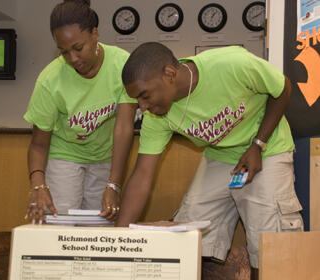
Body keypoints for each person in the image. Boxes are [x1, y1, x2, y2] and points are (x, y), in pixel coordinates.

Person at [116, 42, 304, 279]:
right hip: (220, 155)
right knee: (188, 234)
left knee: (268, 241)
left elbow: (282, 88)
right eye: (137, 101)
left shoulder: (231, 64)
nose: (142, 107)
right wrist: (118, 242)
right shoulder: (157, 116)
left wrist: (258, 144)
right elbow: (142, 175)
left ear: (169, 74)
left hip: (267, 148)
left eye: (144, 96)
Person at [24, 0, 137, 224]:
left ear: (95, 33)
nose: (73, 59)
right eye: (64, 52)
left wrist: (114, 184)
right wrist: (38, 184)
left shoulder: (122, 64)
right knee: (58, 226)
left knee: (99, 230)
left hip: (105, 157)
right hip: (65, 156)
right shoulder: (50, 80)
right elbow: (38, 144)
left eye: (78, 48)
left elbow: (124, 128)